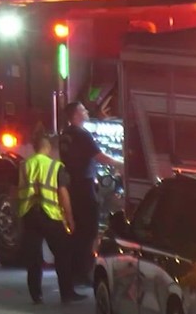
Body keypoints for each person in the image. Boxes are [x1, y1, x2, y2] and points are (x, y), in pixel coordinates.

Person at [59, 102, 123, 286]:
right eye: (83, 110)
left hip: (72, 188)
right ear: (76, 115)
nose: (86, 111)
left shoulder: (66, 135)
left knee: (77, 231)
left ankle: (74, 272)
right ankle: (84, 273)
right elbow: (99, 156)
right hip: (85, 188)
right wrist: (120, 164)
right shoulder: (82, 134)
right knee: (89, 231)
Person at [19, 133, 85, 304]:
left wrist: (16, 213)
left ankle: (36, 295)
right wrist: (69, 217)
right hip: (50, 214)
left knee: (34, 257)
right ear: (48, 148)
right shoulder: (55, 166)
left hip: (29, 214)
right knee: (62, 254)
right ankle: (67, 293)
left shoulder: (25, 165)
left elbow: (15, 191)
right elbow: (62, 193)